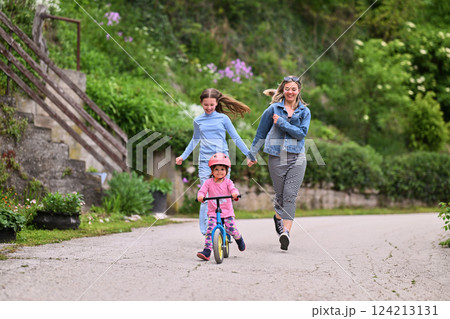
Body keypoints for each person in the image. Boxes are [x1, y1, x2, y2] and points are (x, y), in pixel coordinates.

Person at [176, 88, 256, 235]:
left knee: (223, 194)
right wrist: (183, 156)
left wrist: (249, 154)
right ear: (201, 103)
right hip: (205, 162)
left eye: (212, 105)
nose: (209, 108)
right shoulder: (198, 121)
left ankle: (226, 227)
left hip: (222, 161)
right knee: (205, 196)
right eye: (206, 105)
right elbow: (194, 141)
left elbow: (236, 137)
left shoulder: (223, 119)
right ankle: (207, 231)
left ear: (217, 103)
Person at [249, 76, 310, 251]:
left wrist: (282, 123)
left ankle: (286, 233)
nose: (290, 92)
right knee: (281, 195)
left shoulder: (305, 111)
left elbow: (301, 134)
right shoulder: (272, 109)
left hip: (297, 157)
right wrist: (252, 154)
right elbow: (261, 133)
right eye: (287, 89)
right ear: (283, 90)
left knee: (290, 194)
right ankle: (278, 217)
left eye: (293, 89)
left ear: (298, 91)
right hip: (276, 156)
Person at [196, 153, 245, 261]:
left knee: (231, 228)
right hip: (213, 212)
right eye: (216, 169)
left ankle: (239, 238)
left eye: (222, 169)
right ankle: (207, 251)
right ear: (212, 171)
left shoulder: (228, 182)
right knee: (210, 230)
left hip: (227, 212)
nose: (219, 171)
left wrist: (235, 194)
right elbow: (202, 191)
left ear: (226, 171)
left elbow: (233, 189)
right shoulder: (208, 182)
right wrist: (201, 196)